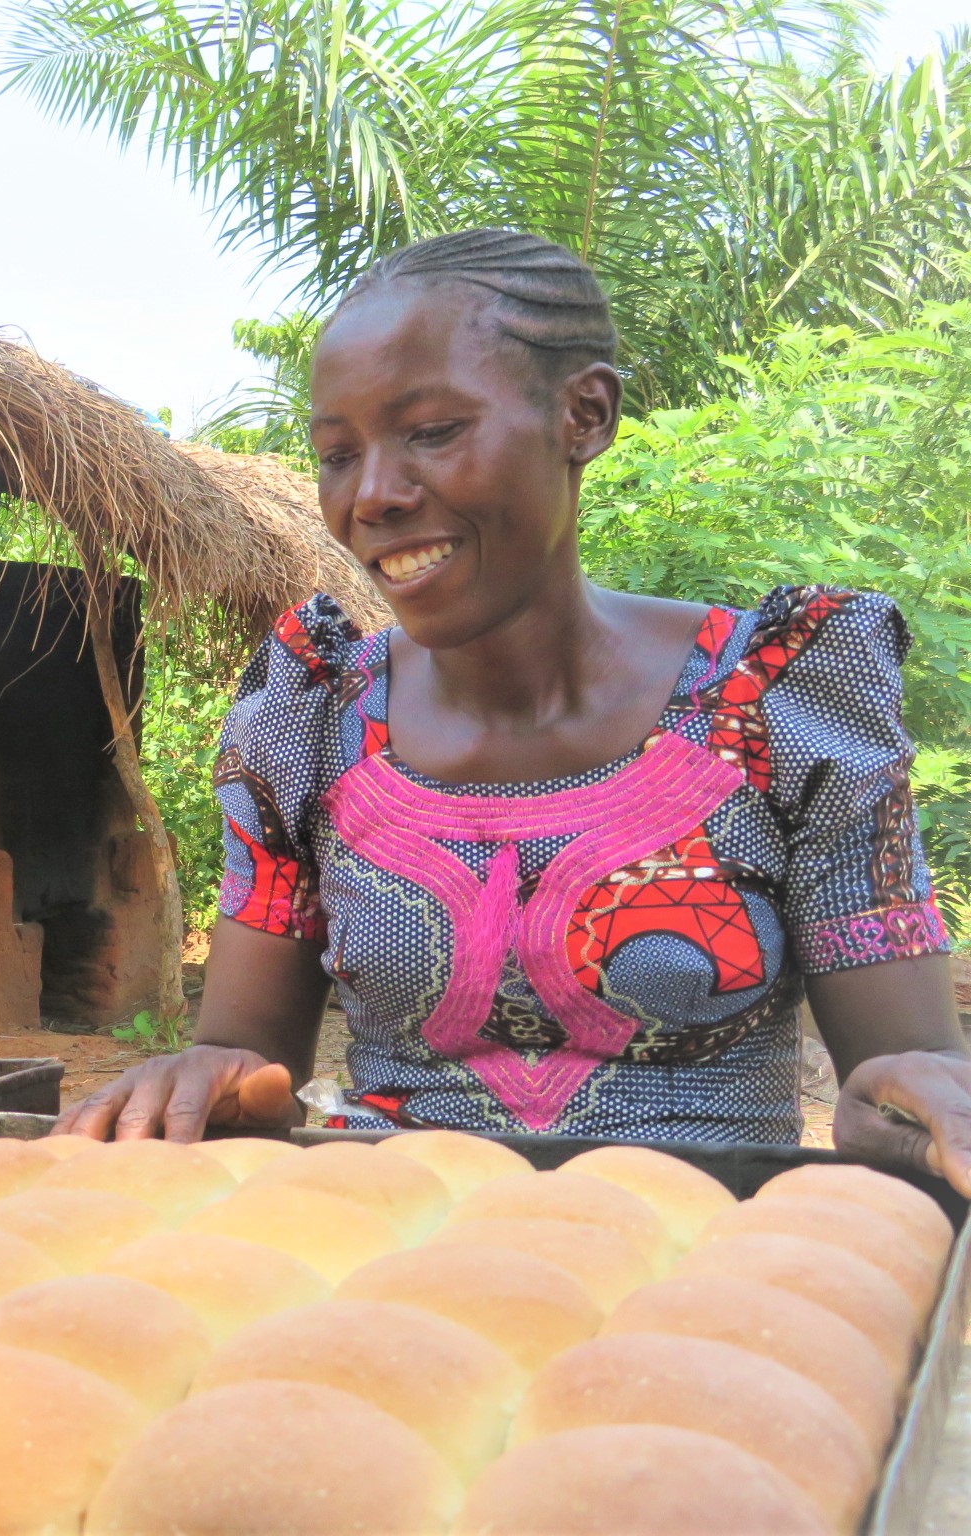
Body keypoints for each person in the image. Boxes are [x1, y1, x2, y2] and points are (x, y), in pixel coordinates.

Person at [59, 230, 971, 1194]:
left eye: (433, 432)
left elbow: (899, 1081)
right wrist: (211, 1078)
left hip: (711, 1267)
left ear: (584, 414)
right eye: (337, 453)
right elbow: (250, 1063)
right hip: (387, 1259)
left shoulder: (780, 696)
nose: (373, 495)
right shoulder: (312, 717)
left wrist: (918, 1101)